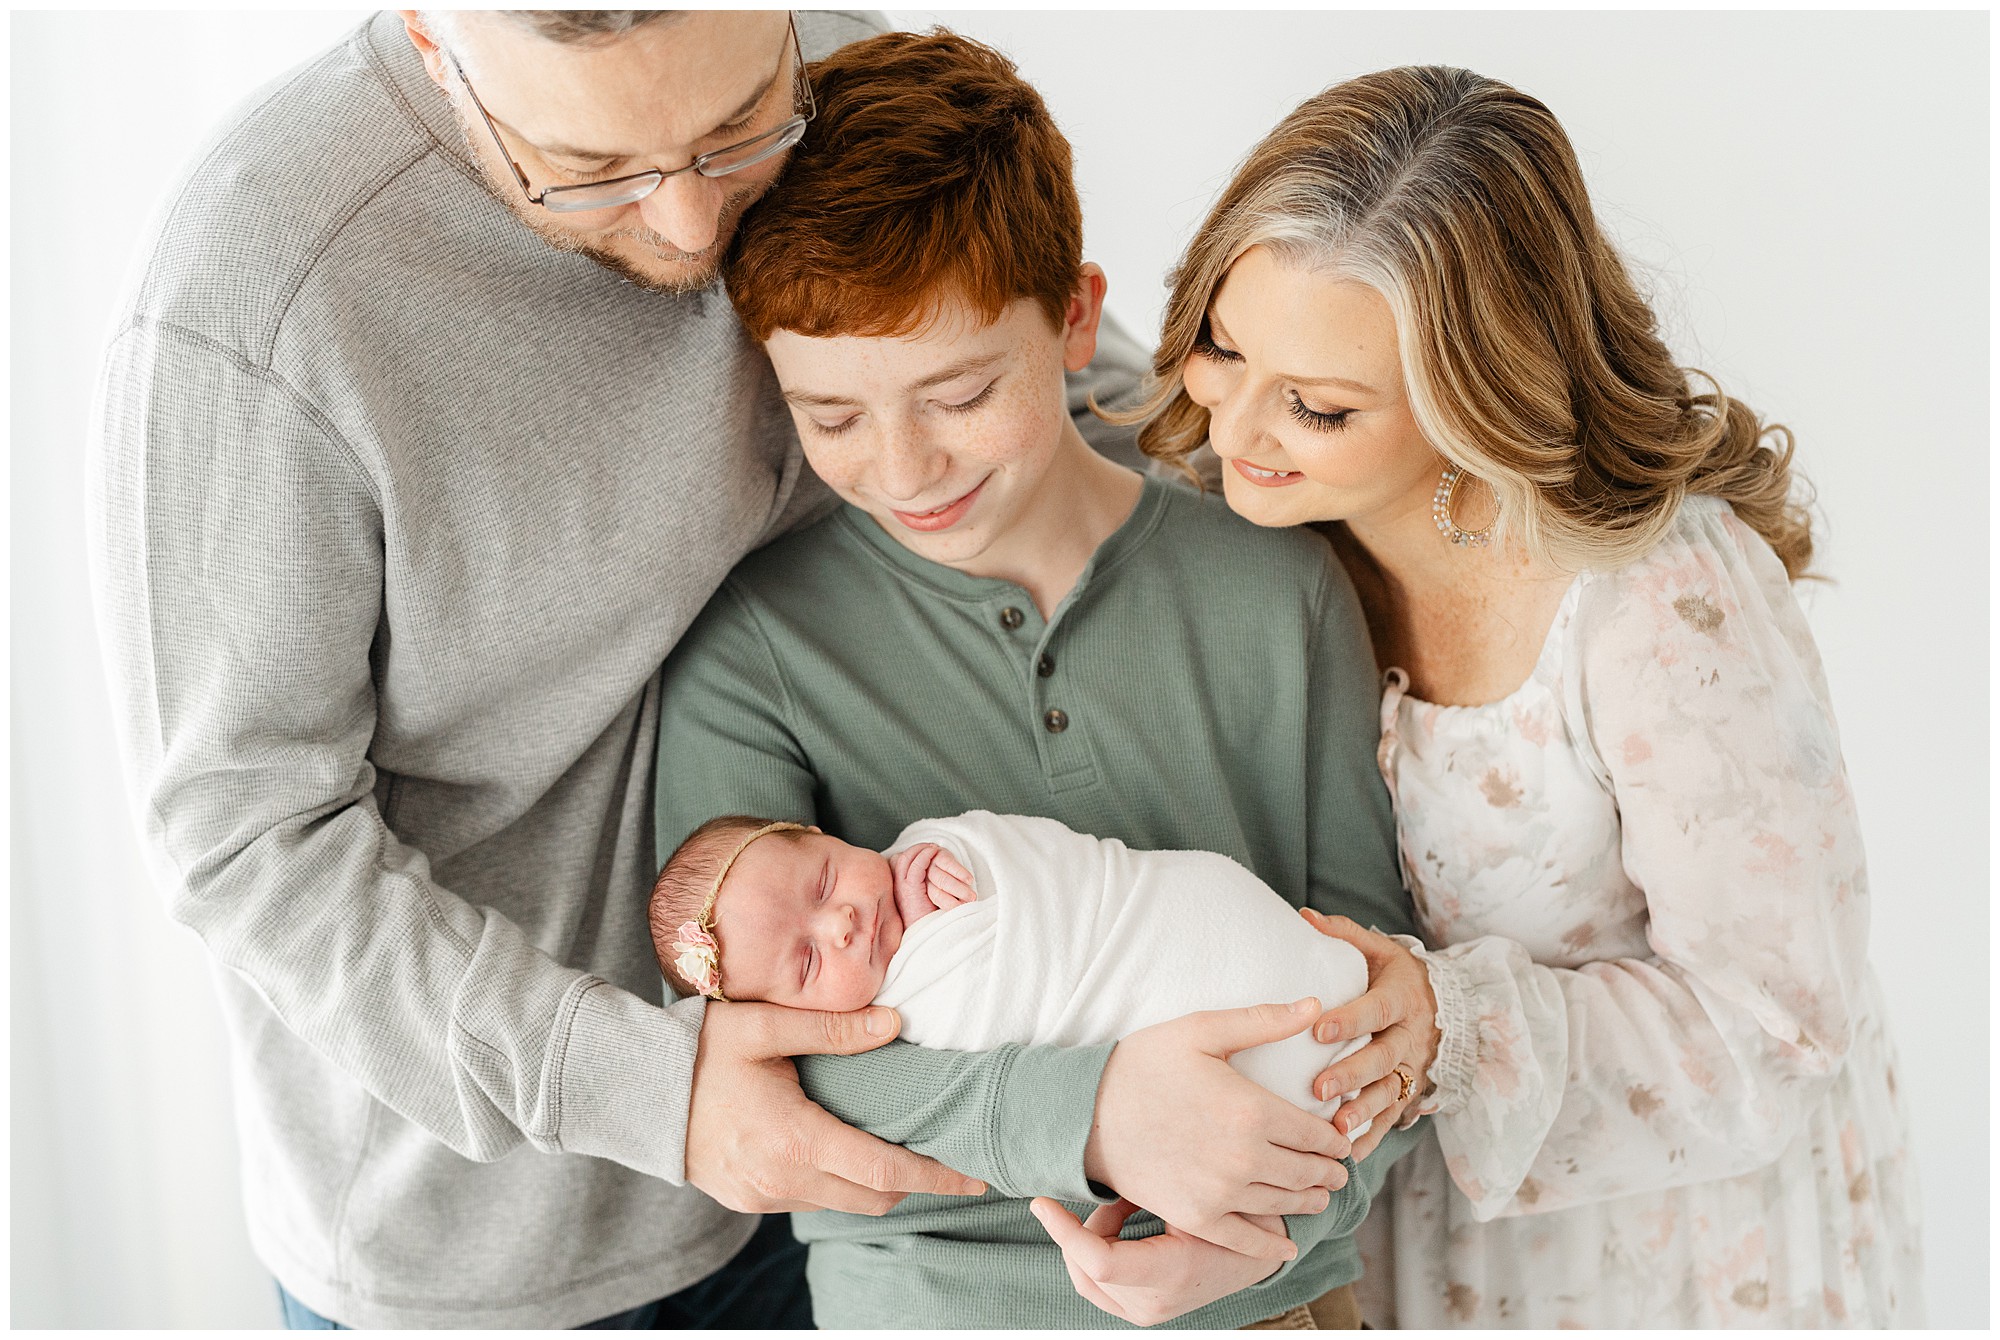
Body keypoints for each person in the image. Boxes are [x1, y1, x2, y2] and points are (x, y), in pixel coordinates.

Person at [83, 8, 1156, 1329]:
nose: (698, 229)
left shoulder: (820, 57)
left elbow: (1030, 364)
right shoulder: (256, 303)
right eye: (587, 167)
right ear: (433, 34)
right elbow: (248, 840)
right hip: (518, 1247)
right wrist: (654, 1092)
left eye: (736, 133)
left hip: (921, 1129)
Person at [1125, 64, 1925, 1326]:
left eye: (1318, 407)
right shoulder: (1257, 525)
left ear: (1466, 399)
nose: (1233, 430)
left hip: (1665, 1234)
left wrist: (1447, 1025)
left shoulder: (1656, 600)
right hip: (1389, 1206)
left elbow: (1778, 1020)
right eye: (1225, 346)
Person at [655, 30, 1418, 1330]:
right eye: (831, 416)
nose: (902, 469)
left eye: (957, 394)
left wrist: (1273, 1239)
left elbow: (1376, 1001)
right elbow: (746, 1061)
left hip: (1271, 1297)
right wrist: (1101, 1118)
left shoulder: (1276, 592)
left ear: (1073, 317)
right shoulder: (756, 657)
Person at [647, 812, 1369, 1126]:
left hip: (1174, 915)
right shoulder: (896, 1024)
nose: (842, 924)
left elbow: (1041, 871)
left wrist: (951, 861)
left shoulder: (931, 858)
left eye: (825, 882)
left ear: (822, 836)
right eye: (806, 961)